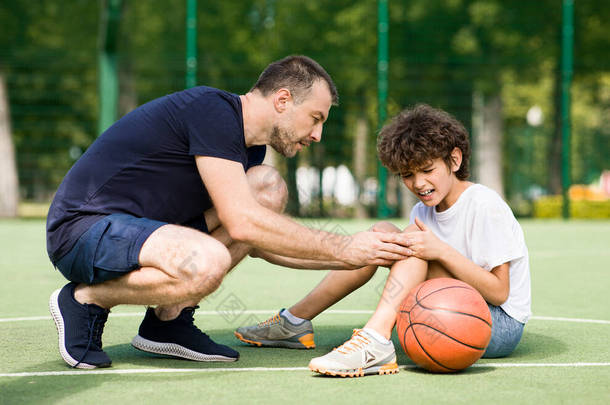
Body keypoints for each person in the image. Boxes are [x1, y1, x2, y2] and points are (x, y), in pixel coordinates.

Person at [46, 55, 414, 369]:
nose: (317, 135)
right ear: (283, 100)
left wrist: (359, 255)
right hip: (83, 229)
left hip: (141, 231)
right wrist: (344, 248)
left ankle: (167, 321)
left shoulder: (248, 150)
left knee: (266, 187)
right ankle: (86, 299)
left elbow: (257, 240)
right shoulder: (213, 111)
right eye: (315, 118)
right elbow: (242, 222)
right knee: (208, 260)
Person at [235, 104, 531, 377]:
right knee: (382, 234)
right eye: (407, 175)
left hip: (496, 323)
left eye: (428, 170)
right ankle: (295, 321)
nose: (419, 184)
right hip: (449, 306)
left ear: (454, 159)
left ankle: (376, 339)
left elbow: (499, 292)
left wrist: (439, 251)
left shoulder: (482, 204)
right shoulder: (423, 211)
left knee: (411, 246)